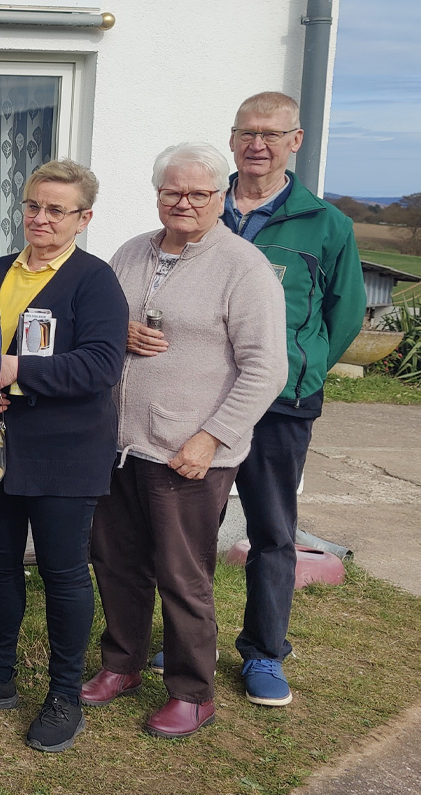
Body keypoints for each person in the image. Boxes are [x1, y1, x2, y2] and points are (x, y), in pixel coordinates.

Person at [83, 142, 286, 739]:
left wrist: (212, 438)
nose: (185, 203)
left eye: (200, 193)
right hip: (120, 443)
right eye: (173, 191)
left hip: (187, 452)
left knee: (183, 574)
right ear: (157, 194)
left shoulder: (242, 266)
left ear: (222, 197)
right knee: (116, 564)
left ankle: (193, 692)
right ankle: (122, 663)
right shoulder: (130, 252)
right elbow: (98, 325)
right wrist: (116, 329)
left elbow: (265, 368)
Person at [0, 159, 128, 753]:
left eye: (57, 210)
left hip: (65, 453)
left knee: (63, 573)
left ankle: (64, 694)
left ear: (84, 218)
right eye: (33, 207)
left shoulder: (94, 281)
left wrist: (17, 371)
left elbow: (101, 365)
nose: (41, 219)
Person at [214, 91, 366, 706]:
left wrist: (294, 371)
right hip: (199, 398)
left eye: (272, 134)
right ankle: (187, 641)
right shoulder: (202, 209)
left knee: (272, 531)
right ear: (231, 139)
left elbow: (345, 313)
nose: (258, 144)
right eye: (247, 132)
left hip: (279, 406)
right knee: (190, 529)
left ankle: (264, 653)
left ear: (294, 141)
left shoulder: (327, 225)